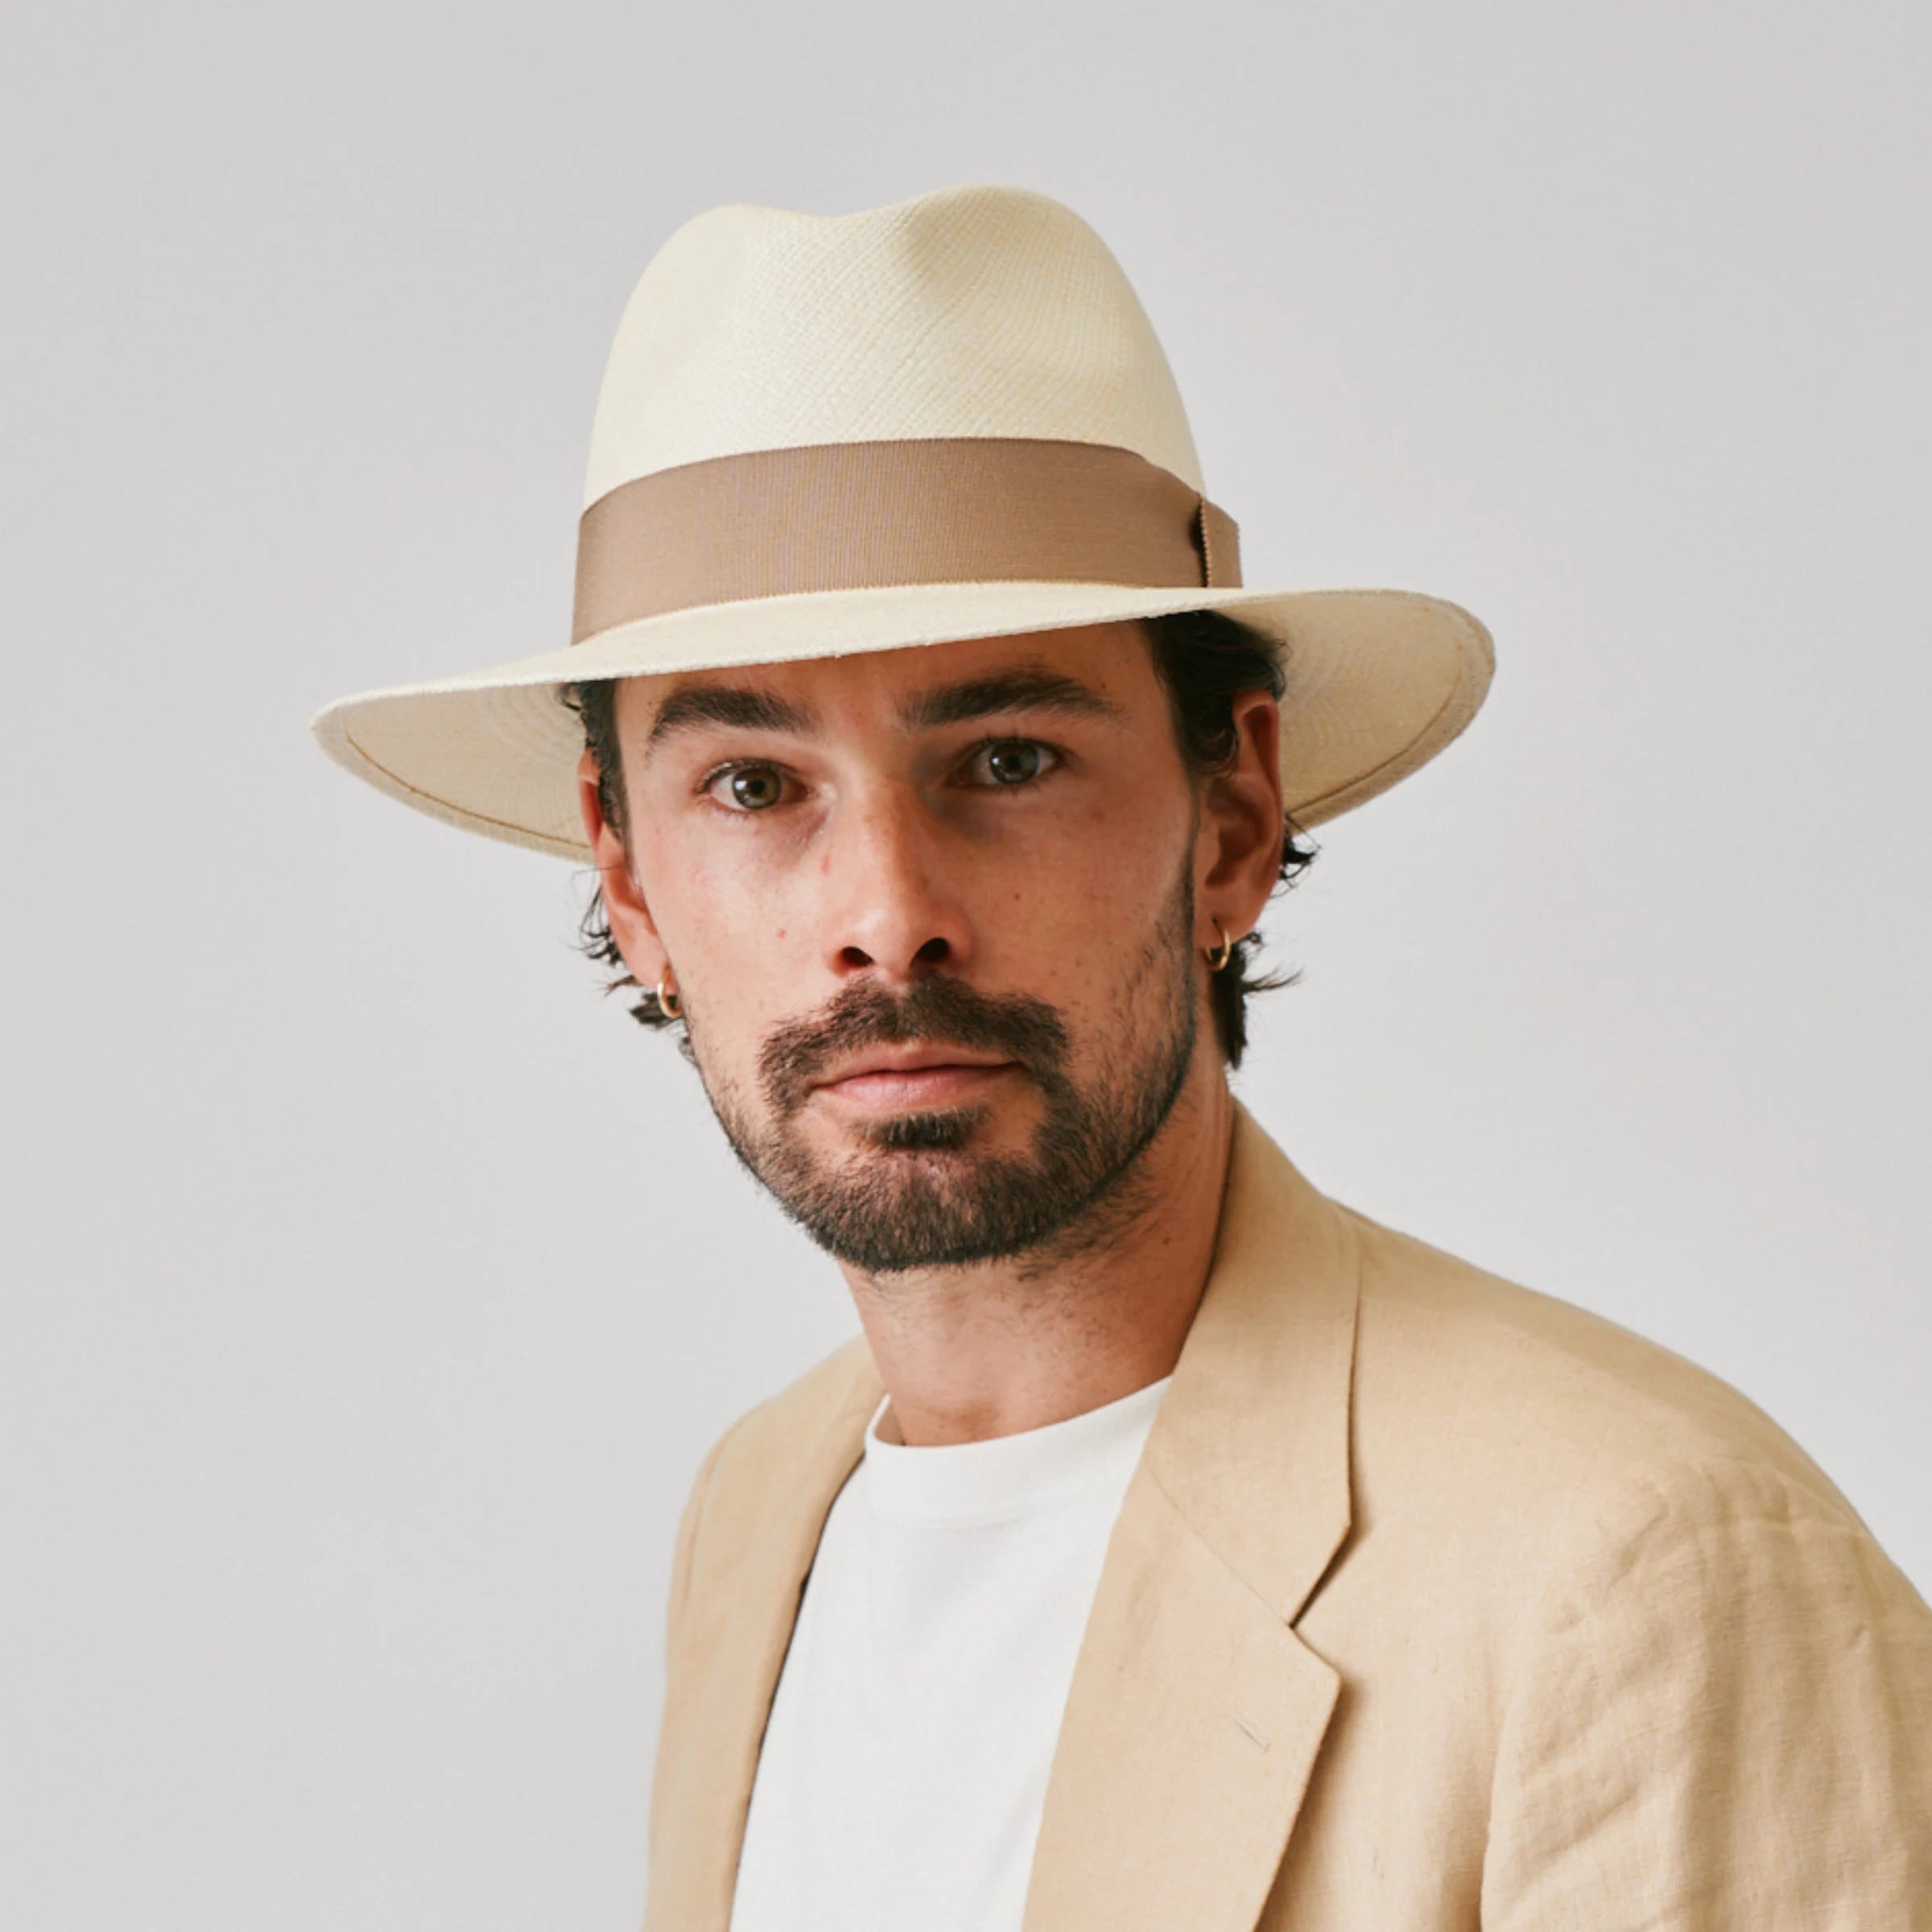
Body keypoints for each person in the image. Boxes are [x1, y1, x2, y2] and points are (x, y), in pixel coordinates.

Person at [312, 185, 1932, 1930]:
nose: (890, 915)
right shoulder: (761, 1511)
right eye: (755, 787)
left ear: (1234, 814)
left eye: (1006, 760)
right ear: (627, 876)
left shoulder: (1635, 1572)